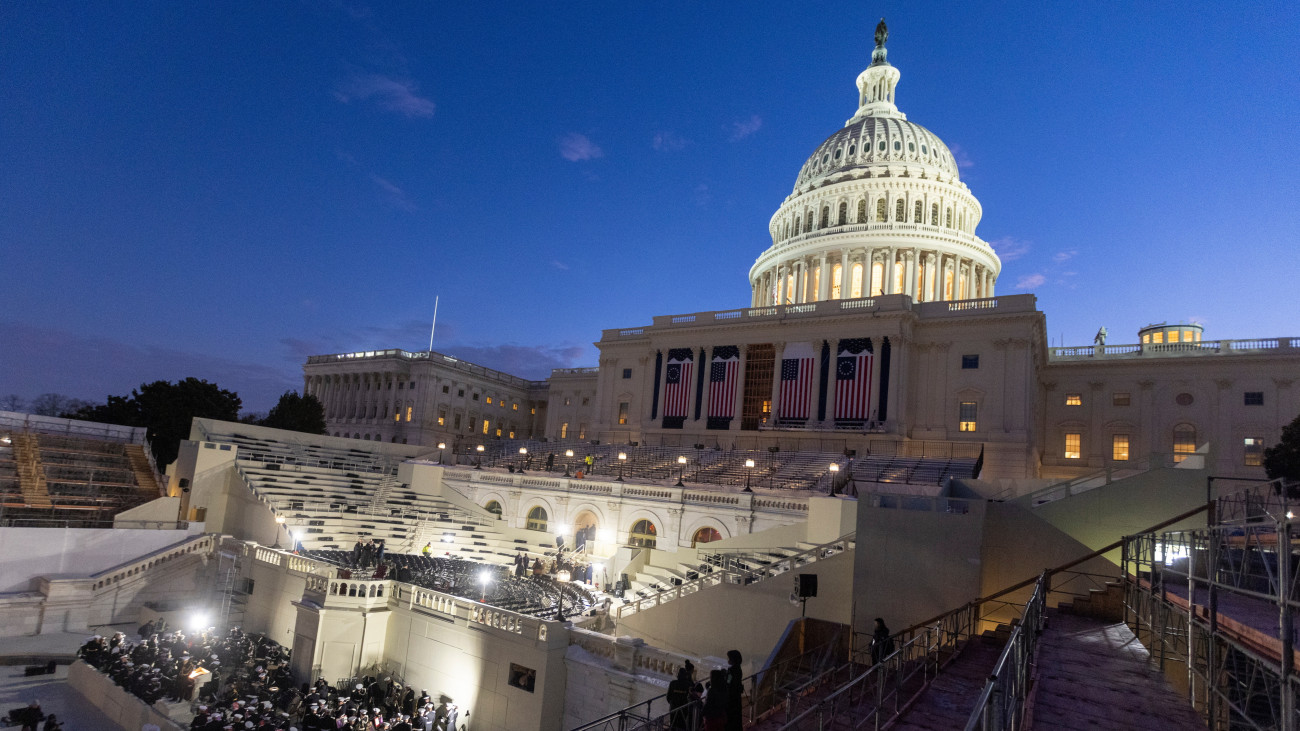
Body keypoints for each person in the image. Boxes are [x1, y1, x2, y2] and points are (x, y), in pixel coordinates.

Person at [724, 650, 743, 731]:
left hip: (730, 699)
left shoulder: (731, 671)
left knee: (730, 719)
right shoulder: (739, 669)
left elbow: (728, 682)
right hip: (737, 698)